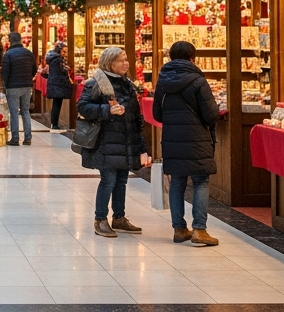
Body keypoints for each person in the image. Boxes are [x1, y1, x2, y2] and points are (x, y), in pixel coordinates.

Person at [77, 46, 150, 238]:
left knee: (122, 181)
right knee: (108, 180)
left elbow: (136, 117)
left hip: (126, 141)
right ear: (110, 63)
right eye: (121, 60)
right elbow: (83, 107)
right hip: (106, 142)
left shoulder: (128, 84)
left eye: (126, 59)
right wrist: (106, 110)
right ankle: (100, 219)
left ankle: (119, 217)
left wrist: (142, 147)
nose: (126, 63)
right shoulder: (96, 83)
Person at [152, 40, 220, 247]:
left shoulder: (162, 82)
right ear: (192, 58)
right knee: (201, 180)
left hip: (172, 138)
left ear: (170, 57)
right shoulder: (198, 81)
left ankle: (179, 229)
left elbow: (157, 114)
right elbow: (211, 114)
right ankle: (199, 229)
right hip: (197, 138)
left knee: (177, 182)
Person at [1, 31, 36, 146]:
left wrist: (6, 85)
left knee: (14, 112)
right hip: (27, 86)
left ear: (10, 41)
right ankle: (28, 137)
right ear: (20, 40)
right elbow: (34, 69)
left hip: (13, 87)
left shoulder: (8, 54)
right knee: (25, 111)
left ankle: (15, 138)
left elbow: (5, 72)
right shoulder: (29, 53)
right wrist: (28, 79)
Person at [45, 41, 73, 130]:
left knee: (56, 104)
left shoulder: (53, 58)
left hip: (55, 83)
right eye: (63, 51)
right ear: (59, 50)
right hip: (58, 84)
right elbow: (61, 71)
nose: (65, 53)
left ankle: (54, 123)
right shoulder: (58, 60)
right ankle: (55, 124)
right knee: (57, 104)